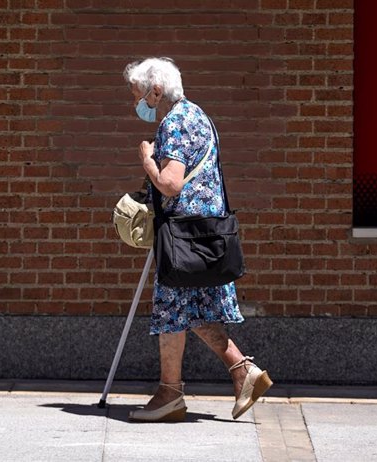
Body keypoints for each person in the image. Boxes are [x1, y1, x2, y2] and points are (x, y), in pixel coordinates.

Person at [123, 57, 273, 422]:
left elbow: (172, 183)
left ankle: (187, 389)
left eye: (140, 95)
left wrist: (147, 161)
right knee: (184, 311)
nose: (137, 104)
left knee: (177, 309)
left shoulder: (174, 124)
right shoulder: (197, 115)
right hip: (203, 235)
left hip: (184, 237)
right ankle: (204, 383)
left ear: (156, 90)